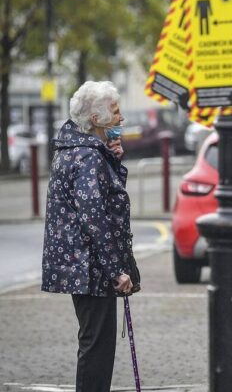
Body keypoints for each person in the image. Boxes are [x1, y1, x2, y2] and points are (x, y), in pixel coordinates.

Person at [42, 81, 140, 392]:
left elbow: (104, 199)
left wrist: (113, 160)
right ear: (96, 120)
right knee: (97, 348)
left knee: (94, 343)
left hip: (85, 264)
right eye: (115, 112)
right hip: (89, 268)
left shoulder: (84, 152)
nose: (120, 118)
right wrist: (117, 271)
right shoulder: (86, 158)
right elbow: (96, 219)